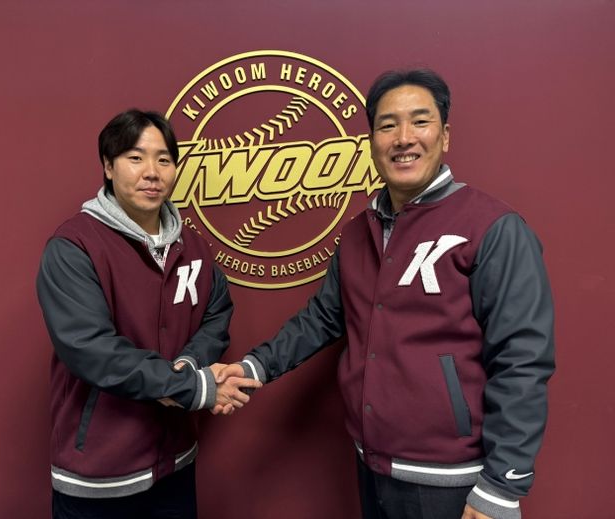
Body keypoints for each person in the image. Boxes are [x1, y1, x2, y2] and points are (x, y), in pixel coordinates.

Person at [216, 69, 555, 519]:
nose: (404, 138)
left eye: (420, 121)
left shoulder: (492, 227)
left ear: (445, 135)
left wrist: (501, 486)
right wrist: (253, 367)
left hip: (454, 481)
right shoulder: (358, 232)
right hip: (372, 465)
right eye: (388, 125)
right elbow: (323, 318)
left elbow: (522, 359)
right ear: (371, 141)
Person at [36, 109, 261, 519]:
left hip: (175, 463)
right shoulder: (74, 246)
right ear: (108, 166)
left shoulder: (193, 245)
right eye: (135, 158)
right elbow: (93, 350)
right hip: (101, 476)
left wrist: (189, 364)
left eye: (164, 159)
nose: (152, 172)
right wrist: (194, 387)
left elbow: (216, 314)